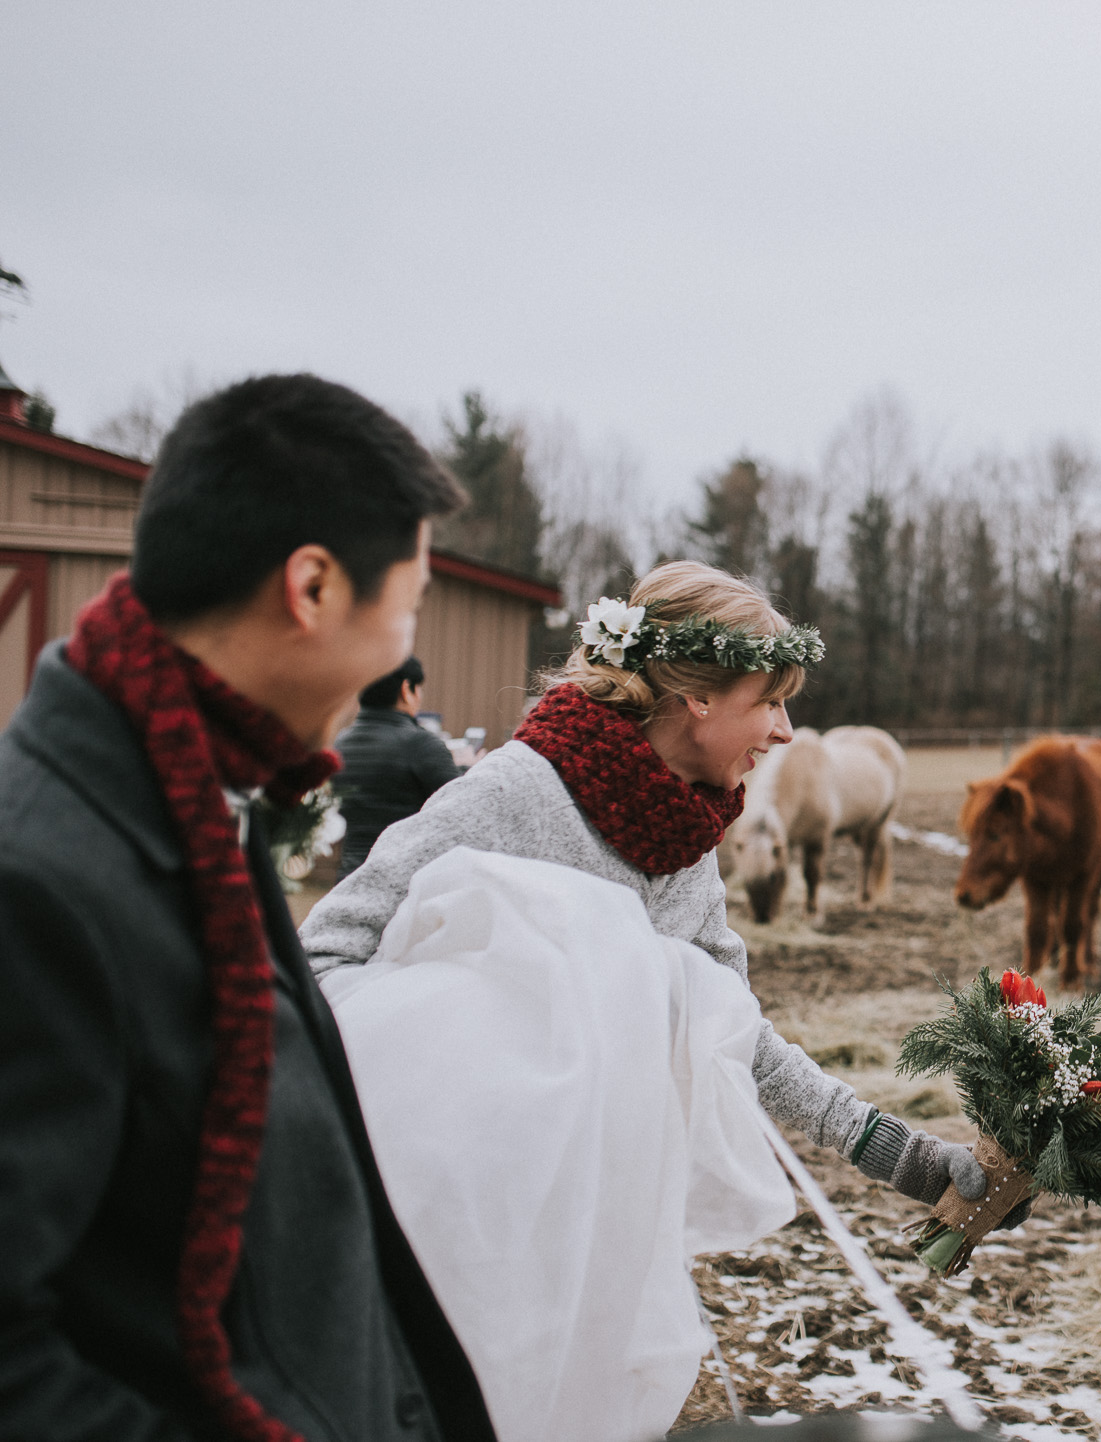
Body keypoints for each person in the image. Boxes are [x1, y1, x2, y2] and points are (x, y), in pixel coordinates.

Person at [301, 560, 1023, 1437]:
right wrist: (465, 1062)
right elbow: (324, 958)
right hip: (452, 1213)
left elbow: (734, 1034)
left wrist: (902, 1156)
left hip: (587, 1221)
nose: (789, 731)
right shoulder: (516, 792)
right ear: (700, 699)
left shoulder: (683, 838)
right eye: (771, 699)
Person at [0, 375, 496, 1440]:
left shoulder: (191, 795)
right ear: (311, 586)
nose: (406, 643)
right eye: (406, 603)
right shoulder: (39, 880)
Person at [333, 655, 460, 875]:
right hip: (402, 882)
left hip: (349, 877)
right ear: (405, 689)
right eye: (418, 688)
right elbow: (463, 806)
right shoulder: (421, 744)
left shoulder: (340, 743)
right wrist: (468, 769)